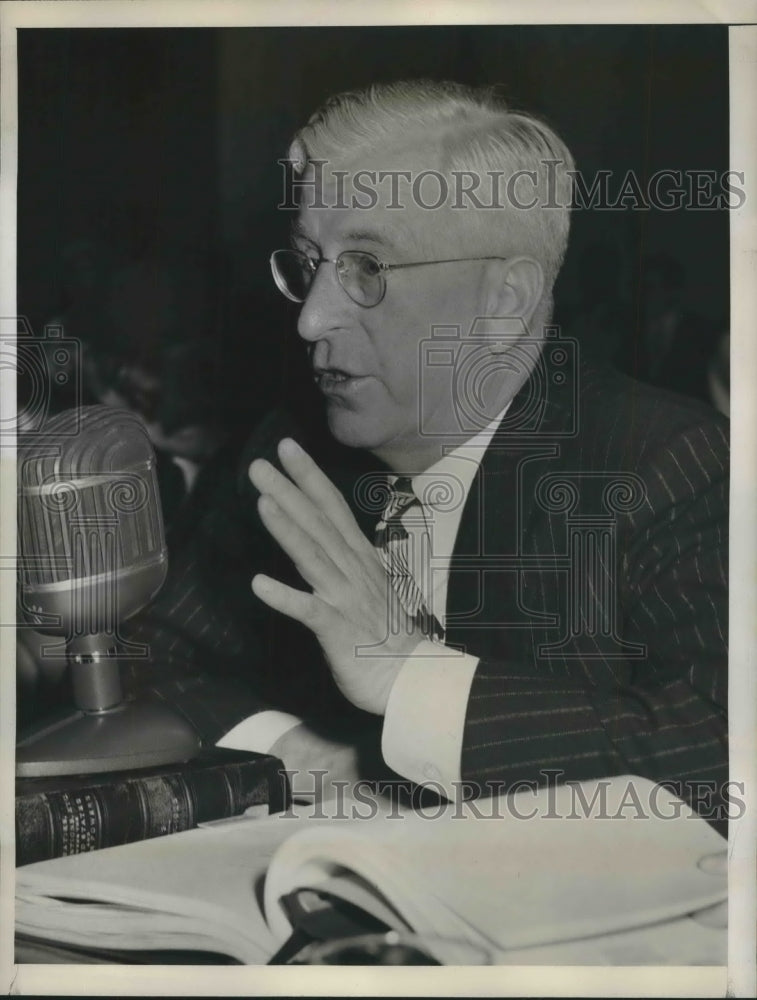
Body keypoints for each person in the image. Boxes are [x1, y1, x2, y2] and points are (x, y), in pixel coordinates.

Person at [122, 81, 728, 822]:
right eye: (308, 263)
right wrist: (311, 757)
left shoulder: (670, 466)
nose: (310, 319)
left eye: (367, 269)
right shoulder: (292, 446)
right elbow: (140, 654)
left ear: (503, 300)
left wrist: (405, 676)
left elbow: (718, 754)